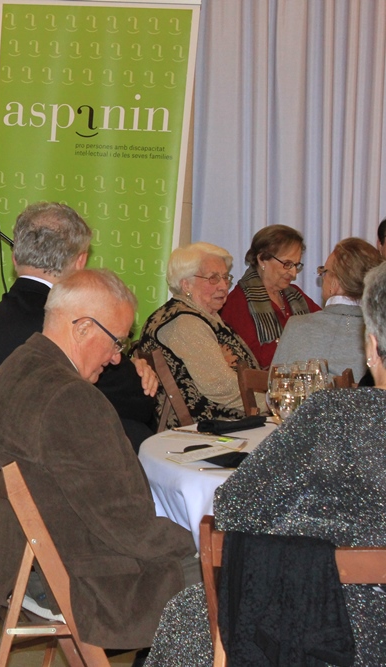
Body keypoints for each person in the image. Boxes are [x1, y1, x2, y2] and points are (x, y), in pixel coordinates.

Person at [144, 262, 386, 667]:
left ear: (371, 347)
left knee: (189, 615)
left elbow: (235, 508)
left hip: (322, 628)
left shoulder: (332, 415)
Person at [0, 269, 198, 653]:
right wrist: (197, 543)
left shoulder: (13, 369)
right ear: (82, 328)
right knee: (233, 575)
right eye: (116, 342)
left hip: (23, 571)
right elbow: (126, 523)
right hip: (82, 585)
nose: (116, 358)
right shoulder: (71, 398)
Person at [0, 201, 159, 450]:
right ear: (80, 262)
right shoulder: (65, 324)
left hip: (11, 455)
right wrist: (135, 370)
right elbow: (140, 401)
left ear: (15, 257)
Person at [138, 243, 261, 428]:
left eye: (225, 277)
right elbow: (221, 387)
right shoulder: (185, 323)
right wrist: (274, 400)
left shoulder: (204, 316)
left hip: (228, 423)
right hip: (209, 429)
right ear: (186, 284)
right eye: (213, 278)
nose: (223, 286)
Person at [272, 237, 383, 376]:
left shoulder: (297, 326)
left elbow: (274, 385)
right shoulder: (379, 332)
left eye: (324, 272)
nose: (322, 278)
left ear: (335, 284)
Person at [219, 225, 320, 368]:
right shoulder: (238, 301)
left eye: (296, 265)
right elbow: (249, 359)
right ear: (262, 260)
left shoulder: (295, 295)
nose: (293, 273)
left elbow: (323, 327)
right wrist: (292, 338)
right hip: (263, 382)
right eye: (287, 264)